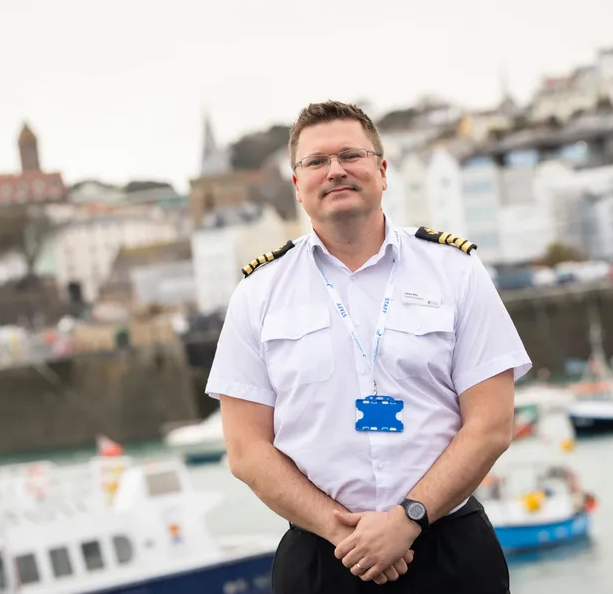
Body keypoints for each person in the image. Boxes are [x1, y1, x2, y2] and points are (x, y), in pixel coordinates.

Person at [205, 100, 531, 594]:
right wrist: (344, 534)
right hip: (323, 558)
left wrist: (407, 520)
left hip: (448, 549)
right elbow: (247, 449)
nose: (335, 171)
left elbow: (491, 424)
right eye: (315, 162)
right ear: (297, 185)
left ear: (382, 171)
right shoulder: (258, 292)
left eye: (351, 156)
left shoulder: (455, 270)